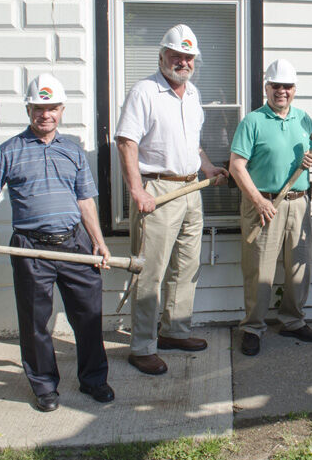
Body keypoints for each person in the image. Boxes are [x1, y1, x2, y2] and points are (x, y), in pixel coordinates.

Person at [0, 73, 114, 412]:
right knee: (35, 323)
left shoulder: (73, 152)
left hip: (75, 244)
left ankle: (94, 380)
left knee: (89, 317)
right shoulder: (9, 151)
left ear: (61, 110)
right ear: (28, 110)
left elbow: (85, 201)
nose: (45, 115)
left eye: (51, 108)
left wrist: (98, 242)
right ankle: (45, 387)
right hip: (30, 248)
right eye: (38, 108)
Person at [115, 24, 228, 375]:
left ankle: (174, 332)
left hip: (191, 189)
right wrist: (137, 191)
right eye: (176, 56)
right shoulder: (145, 92)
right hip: (158, 191)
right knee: (150, 272)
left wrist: (207, 167)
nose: (183, 62)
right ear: (162, 56)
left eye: (188, 57)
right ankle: (142, 347)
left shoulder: (192, 94)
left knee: (186, 266)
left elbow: (191, 142)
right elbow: (126, 142)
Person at [229, 59, 312, 356]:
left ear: (294, 89)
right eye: (276, 86)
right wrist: (258, 200)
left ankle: (293, 321)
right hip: (264, 203)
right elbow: (236, 166)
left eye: (287, 86)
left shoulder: (303, 119)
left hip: (298, 202)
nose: (282, 91)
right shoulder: (253, 121)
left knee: (299, 266)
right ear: (266, 88)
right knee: (259, 270)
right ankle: (252, 327)